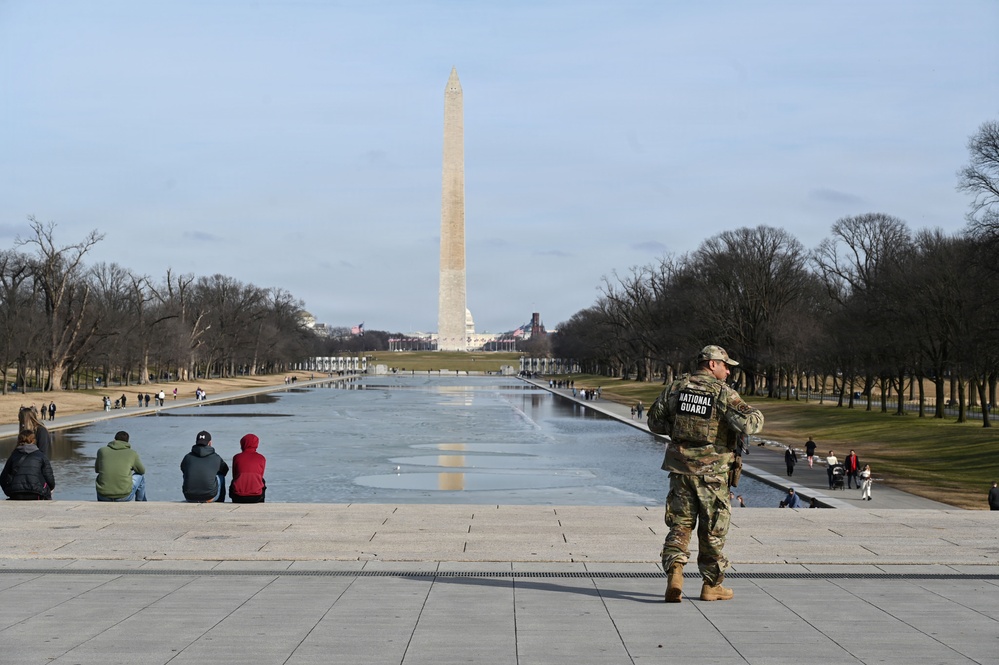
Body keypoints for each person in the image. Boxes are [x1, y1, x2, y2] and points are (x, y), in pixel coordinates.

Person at [648, 344, 763, 603]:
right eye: (725, 366)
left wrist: (680, 427)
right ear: (712, 364)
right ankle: (711, 585)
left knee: (680, 525)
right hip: (713, 474)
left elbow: (654, 421)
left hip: (680, 471)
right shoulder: (723, 393)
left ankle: (675, 575)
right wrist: (753, 413)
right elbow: (750, 423)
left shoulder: (676, 387)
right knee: (713, 529)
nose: (729, 372)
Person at [1, 429, 55, 500]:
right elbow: (49, 478)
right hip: (36, 492)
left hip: (16, 492)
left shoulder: (13, 456)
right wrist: (49, 489)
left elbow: (3, 478)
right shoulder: (41, 456)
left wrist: (8, 491)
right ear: (33, 440)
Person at [95, 431, 147, 501]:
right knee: (140, 477)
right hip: (124, 497)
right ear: (127, 442)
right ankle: (141, 503)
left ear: (114, 439)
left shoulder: (102, 451)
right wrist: (130, 468)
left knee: (101, 476)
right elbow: (142, 471)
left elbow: (97, 470)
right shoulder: (132, 453)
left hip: (103, 497)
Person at [181, 430, 229, 503]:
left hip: (189, 497)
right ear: (210, 443)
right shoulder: (216, 458)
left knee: (187, 473)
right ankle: (220, 501)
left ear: (196, 442)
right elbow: (225, 470)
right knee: (220, 475)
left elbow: (183, 469)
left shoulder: (187, 457)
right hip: (209, 497)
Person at [229, 433, 267, 503]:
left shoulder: (237, 457)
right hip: (256, 497)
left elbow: (234, 475)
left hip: (238, 497)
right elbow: (260, 476)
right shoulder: (261, 458)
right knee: (262, 480)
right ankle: (261, 503)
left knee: (235, 480)